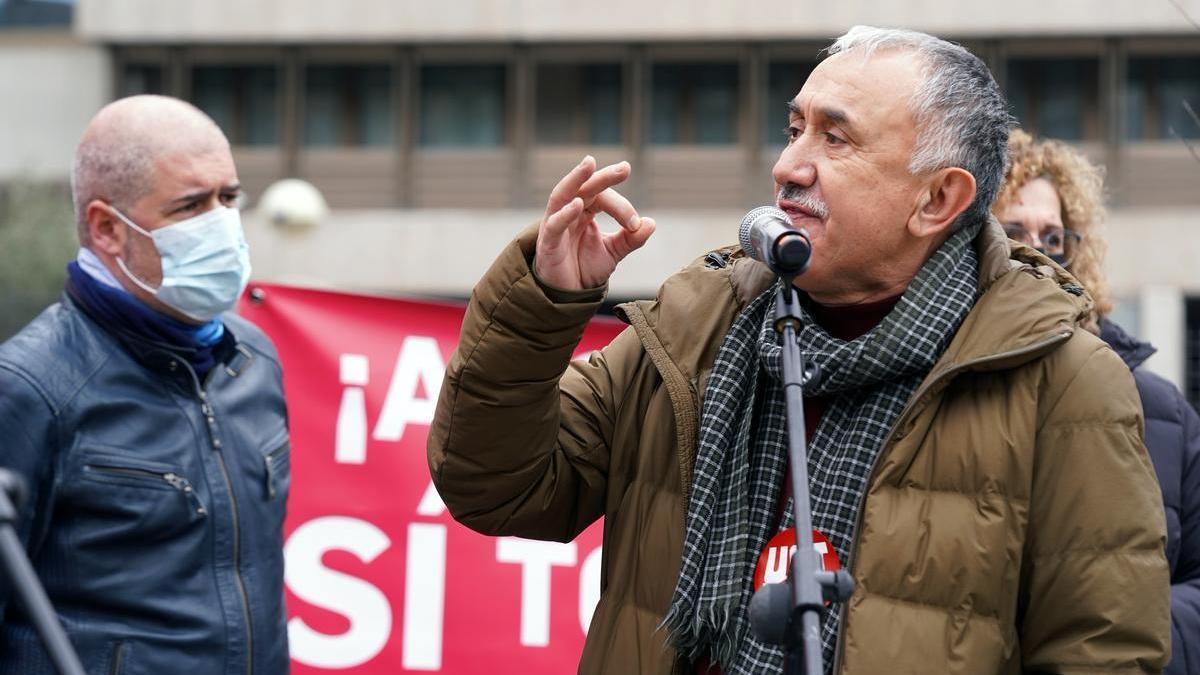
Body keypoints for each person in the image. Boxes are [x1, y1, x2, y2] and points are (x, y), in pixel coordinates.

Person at [428, 26, 1171, 674]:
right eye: (794, 129)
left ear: (937, 200)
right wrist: (543, 300)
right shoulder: (695, 327)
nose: (790, 166)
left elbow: (1100, 651)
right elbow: (494, 484)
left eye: (835, 137)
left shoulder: (1064, 380)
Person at [0, 95, 291, 674]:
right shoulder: (29, 389)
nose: (222, 224)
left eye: (229, 198)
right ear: (106, 228)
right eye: (191, 207)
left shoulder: (253, 359)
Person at [995, 129, 1199, 675]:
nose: (1037, 251)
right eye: (1012, 232)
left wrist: (1126, 627)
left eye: (1053, 236)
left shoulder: (1162, 410)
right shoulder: (937, 389)